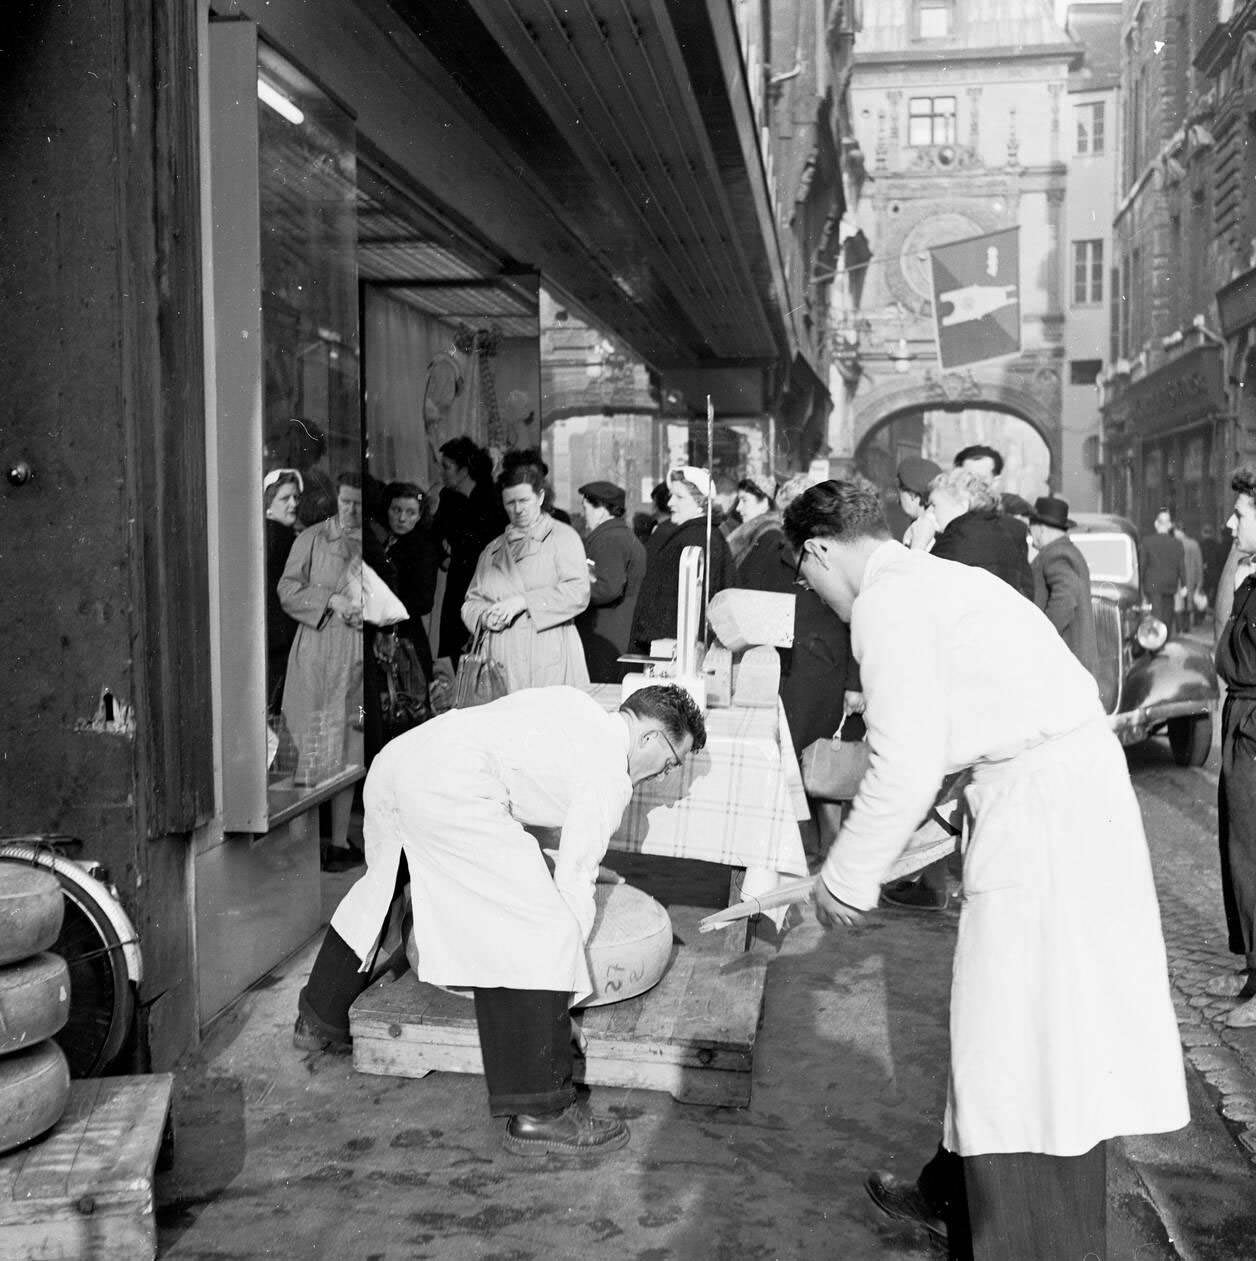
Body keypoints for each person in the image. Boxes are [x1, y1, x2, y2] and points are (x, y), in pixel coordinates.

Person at [784, 479, 1188, 1260]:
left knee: (1020, 1067)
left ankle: (1020, 1242)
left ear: (820, 550)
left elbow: (902, 764)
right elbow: (950, 751)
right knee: (1040, 1065)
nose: (820, 597)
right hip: (1064, 812)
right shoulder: (941, 582)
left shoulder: (885, 602)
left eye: (809, 579)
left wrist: (845, 877)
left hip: (1044, 835)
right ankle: (988, 1230)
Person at [293, 683, 707, 1156]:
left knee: (384, 883)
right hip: (454, 786)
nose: (666, 779)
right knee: (541, 926)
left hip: (402, 759)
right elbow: (573, 885)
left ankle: (317, 1020)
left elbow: (527, 795)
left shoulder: (575, 706)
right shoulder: (609, 774)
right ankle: (541, 1111)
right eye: (674, 761)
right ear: (651, 737)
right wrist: (560, 1005)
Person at [279, 471, 365, 867]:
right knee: (308, 742)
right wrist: (331, 600)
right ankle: (303, 846)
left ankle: (339, 842)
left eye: (359, 503)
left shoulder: (369, 543)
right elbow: (287, 590)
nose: (352, 509)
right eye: (346, 501)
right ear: (336, 500)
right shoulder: (312, 538)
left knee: (349, 744)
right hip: (316, 650)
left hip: (355, 653)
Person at [462, 450, 591, 691]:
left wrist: (523, 602)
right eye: (510, 503)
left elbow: (578, 592)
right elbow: (471, 601)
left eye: (524, 501)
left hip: (548, 657)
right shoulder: (492, 550)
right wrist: (484, 616)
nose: (518, 509)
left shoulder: (562, 537)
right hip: (501, 662)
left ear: (540, 497)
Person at [1207, 466, 1256, 1027]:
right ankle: (1251, 968)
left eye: (1240, 513)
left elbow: (1232, 654)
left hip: (1254, 723)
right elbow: (1224, 628)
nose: (1228, 522)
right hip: (1243, 720)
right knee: (1239, 850)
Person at [629, 467, 737, 652]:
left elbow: (695, 604)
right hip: (674, 644)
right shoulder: (699, 534)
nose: (670, 503)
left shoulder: (695, 538)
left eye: (679, 497)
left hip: (675, 648)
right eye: (671, 496)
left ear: (700, 502)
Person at [435, 436, 504, 666]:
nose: (441, 473)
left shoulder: (492, 500)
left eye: (446, 467)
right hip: (458, 583)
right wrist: (443, 557)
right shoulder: (447, 499)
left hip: (486, 584)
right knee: (455, 650)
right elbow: (434, 538)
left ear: (464, 469)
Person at [575, 480, 647, 683]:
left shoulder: (610, 539)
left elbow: (608, 588)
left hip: (608, 637)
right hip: (617, 634)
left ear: (602, 510)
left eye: (586, 507)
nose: (583, 514)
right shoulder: (618, 535)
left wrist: (572, 591)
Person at [929, 468, 1033, 600]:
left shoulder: (955, 539)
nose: (930, 512)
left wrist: (918, 546)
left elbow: (927, 593)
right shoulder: (1001, 532)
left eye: (934, 505)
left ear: (962, 504)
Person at [1028, 496, 1099, 681]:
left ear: (1041, 528)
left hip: (1063, 661)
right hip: (1073, 661)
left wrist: (1043, 634)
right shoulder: (1068, 551)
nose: (1031, 534)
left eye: (1031, 528)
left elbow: (1066, 599)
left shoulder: (1055, 555)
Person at [381, 481, 441, 678]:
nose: (401, 518)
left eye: (410, 512)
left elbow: (424, 602)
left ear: (420, 515)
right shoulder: (387, 542)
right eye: (396, 510)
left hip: (407, 638)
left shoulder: (422, 548)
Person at [263, 468, 302, 716]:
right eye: (285, 498)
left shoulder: (276, 534)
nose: (293, 504)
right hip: (282, 640)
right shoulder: (279, 536)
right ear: (269, 503)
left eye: (296, 498)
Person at [727, 475, 792, 592]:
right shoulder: (752, 533)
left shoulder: (771, 536)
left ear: (764, 502)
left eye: (744, 500)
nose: (738, 507)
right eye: (738, 501)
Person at [1140, 508, 1186, 630]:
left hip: (1153, 585)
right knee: (1167, 614)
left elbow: (1142, 565)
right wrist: (1184, 585)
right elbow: (1181, 566)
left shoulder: (1146, 541)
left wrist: (1139, 583)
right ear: (1170, 525)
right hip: (1170, 584)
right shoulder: (1177, 543)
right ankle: (1164, 640)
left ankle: (1156, 643)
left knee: (1156, 615)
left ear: (1156, 524)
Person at [896, 456, 942, 552]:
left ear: (912, 495)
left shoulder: (916, 532)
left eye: (899, 490)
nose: (898, 498)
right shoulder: (943, 524)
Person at [1175, 524, 1205, 631]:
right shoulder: (1194, 544)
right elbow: (1199, 563)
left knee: (1179, 603)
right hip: (1190, 578)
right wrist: (1200, 581)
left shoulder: (1175, 543)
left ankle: (1179, 628)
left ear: (1180, 531)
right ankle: (1186, 627)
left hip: (1178, 577)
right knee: (1188, 603)